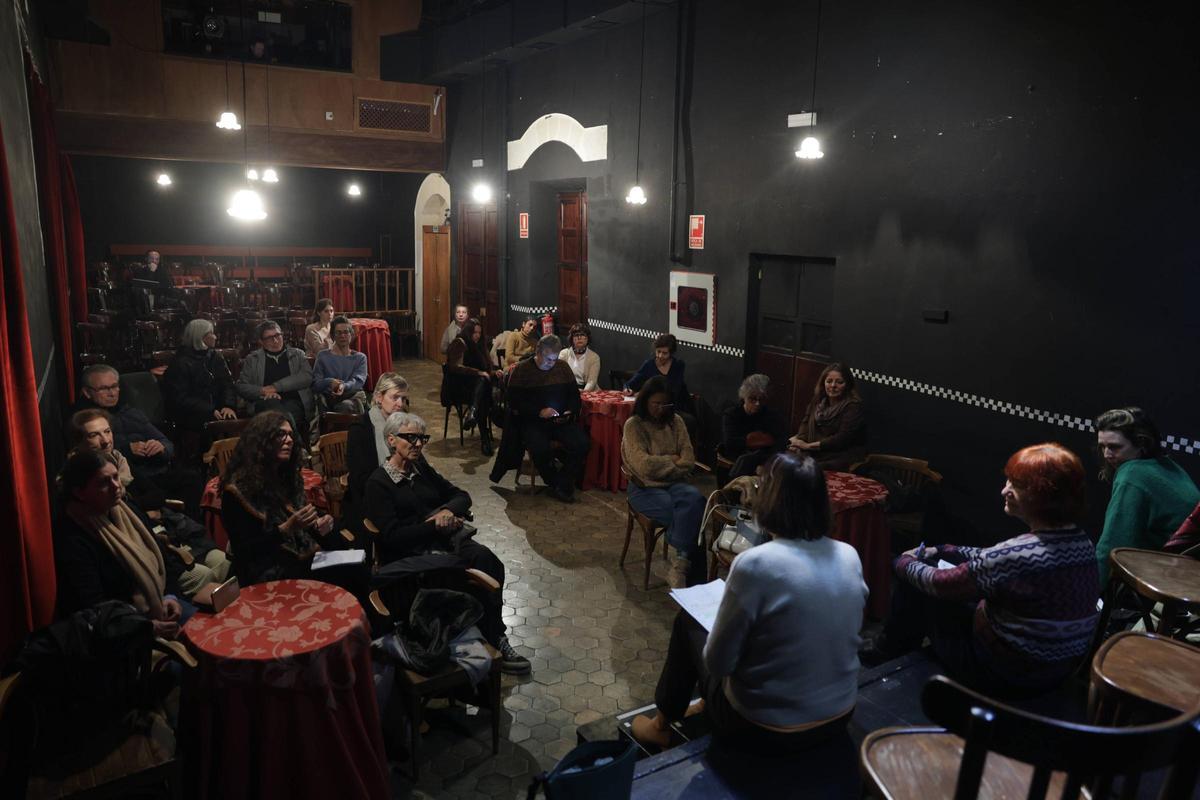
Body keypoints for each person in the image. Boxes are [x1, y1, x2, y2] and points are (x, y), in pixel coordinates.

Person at [631, 453, 866, 754]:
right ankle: (701, 704)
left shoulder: (755, 564)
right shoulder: (849, 555)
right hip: (839, 714)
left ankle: (660, 725)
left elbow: (719, 663)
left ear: (768, 500)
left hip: (763, 727)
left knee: (689, 621)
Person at [860, 443, 1100, 697]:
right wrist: (942, 549)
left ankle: (886, 656)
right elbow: (989, 558)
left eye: (1014, 485)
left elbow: (941, 583)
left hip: (1007, 673)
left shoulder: (1016, 555)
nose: (1004, 490)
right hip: (1056, 670)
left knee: (917, 584)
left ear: (1040, 496)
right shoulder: (1080, 541)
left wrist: (902, 562)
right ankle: (899, 651)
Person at [362, 412, 530, 674]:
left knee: (487, 560)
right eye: (411, 438)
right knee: (457, 572)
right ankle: (465, 634)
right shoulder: (378, 483)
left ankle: (496, 634)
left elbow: (461, 496)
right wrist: (433, 524)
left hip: (444, 541)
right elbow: (393, 536)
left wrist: (448, 512)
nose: (418, 444)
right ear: (391, 440)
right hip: (411, 553)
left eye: (422, 438)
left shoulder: (421, 469)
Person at [67, 409, 231, 600]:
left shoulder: (119, 460)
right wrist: (144, 509)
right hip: (146, 551)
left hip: (165, 530)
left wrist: (144, 505)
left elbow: (157, 494)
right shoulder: (80, 483)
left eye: (107, 431)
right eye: (94, 435)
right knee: (203, 575)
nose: (105, 440)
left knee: (222, 560)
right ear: (78, 442)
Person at [54, 450, 189, 638]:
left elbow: (160, 556)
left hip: (161, 605)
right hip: (124, 632)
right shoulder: (73, 537)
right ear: (79, 492)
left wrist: (170, 596)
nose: (116, 486)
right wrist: (147, 627)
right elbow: (95, 608)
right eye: (103, 482)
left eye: (116, 477)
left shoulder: (125, 508)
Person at [220, 412, 335, 586]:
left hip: (300, 558)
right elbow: (245, 551)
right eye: (281, 434)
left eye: (290, 435)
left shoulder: (286, 476)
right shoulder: (237, 490)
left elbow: (301, 513)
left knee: (353, 565)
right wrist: (286, 529)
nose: (289, 440)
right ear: (262, 440)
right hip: (265, 570)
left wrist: (322, 521)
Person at [1093, 407, 1200, 586]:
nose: (1106, 454)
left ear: (1141, 443)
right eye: (1102, 446)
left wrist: (1089, 593)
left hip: (1168, 577)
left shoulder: (1132, 474)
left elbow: (1114, 545)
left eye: (1114, 447)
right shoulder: (1166, 464)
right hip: (1187, 572)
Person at [621, 376, 706, 587]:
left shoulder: (676, 422)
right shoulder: (634, 425)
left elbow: (688, 460)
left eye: (665, 404)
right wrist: (671, 460)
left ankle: (681, 562)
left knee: (697, 501)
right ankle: (687, 568)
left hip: (674, 484)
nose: (660, 409)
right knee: (685, 515)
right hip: (643, 488)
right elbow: (643, 466)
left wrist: (663, 465)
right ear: (646, 401)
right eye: (655, 404)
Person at [489, 335, 589, 503]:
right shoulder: (522, 371)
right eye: (548, 359)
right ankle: (557, 483)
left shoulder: (562, 368)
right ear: (538, 353)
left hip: (559, 421)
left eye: (554, 359)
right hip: (533, 421)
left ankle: (562, 482)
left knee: (582, 443)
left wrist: (568, 411)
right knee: (540, 448)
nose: (552, 363)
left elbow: (574, 397)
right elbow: (514, 403)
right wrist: (539, 412)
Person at [75, 364, 174, 482]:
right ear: (87, 392)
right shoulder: (83, 421)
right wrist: (128, 450)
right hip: (121, 479)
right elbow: (88, 456)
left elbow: (167, 443)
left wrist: (160, 447)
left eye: (114, 386)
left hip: (157, 471)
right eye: (104, 389)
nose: (112, 393)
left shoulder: (130, 412)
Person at [346, 372, 411, 522]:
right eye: (395, 397)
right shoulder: (360, 429)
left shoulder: (405, 426)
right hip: (373, 499)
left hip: (402, 491)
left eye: (403, 398)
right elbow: (360, 478)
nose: (400, 404)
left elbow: (418, 464)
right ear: (378, 398)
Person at [236, 320, 314, 435]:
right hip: (264, 402)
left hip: (294, 402)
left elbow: (307, 377)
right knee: (272, 404)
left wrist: (275, 387)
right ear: (261, 341)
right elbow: (241, 386)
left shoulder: (297, 355)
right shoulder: (252, 359)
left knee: (278, 418)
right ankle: (298, 446)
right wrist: (262, 391)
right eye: (269, 338)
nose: (275, 340)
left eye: (278, 335)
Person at [162, 318, 238, 432]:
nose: (215, 337)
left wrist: (228, 406)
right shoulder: (180, 362)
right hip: (192, 412)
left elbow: (228, 384)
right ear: (200, 337)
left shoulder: (215, 357)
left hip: (217, 407)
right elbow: (179, 398)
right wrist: (209, 410)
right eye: (211, 333)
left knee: (233, 420)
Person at [788, 362, 866, 471]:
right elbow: (805, 423)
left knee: (808, 469)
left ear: (847, 385)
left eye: (839, 382)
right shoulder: (818, 400)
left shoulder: (853, 407)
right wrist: (798, 442)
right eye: (829, 381)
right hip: (814, 452)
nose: (833, 386)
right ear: (823, 383)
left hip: (838, 456)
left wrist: (807, 446)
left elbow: (841, 439)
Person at [446, 318, 501, 456]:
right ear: (468, 332)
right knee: (483, 386)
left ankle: (473, 413)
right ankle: (485, 437)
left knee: (483, 387)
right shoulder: (459, 343)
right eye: (474, 332)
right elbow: (455, 367)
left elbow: (486, 370)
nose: (477, 335)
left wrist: (495, 372)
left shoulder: (481, 346)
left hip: (478, 389)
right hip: (461, 387)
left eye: (479, 333)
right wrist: (478, 373)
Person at [721, 374, 788, 479]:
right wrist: (755, 440)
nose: (757, 403)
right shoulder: (732, 414)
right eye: (752, 399)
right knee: (745, 460)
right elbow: (730, 443)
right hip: (739, 455)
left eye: (761, 399)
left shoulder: (772, 415)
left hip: (765, 456)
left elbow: (780, 443)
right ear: (744, 397)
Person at [312, 315, 368, 414]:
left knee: (345, 407)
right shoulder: (323, 356)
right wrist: (330, 382)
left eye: (346, 332)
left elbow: (358, 381)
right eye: (338, 333)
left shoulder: (360, 358)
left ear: (351, 334)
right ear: (333, 336)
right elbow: (316, 384)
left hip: (352, 397)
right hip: (328, 398)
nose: (343, 336)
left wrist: (343, 386)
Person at [559, 323, 600, 391]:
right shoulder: (564, 354)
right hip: (567, 390)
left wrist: (583, 393)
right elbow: (560, 377)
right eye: (576, 335)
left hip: (588, 391)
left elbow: (591, 382)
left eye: (582, 335)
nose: (579, 338)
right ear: (572, 338)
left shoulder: (594, 357)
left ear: (587, 338)